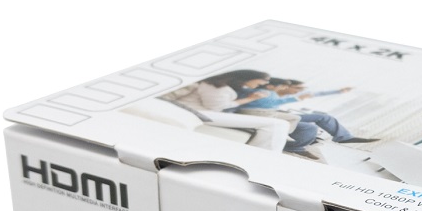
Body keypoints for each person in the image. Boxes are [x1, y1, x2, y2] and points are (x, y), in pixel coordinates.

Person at [162, 70, 315, 155]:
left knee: (279, 124)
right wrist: (250, 99)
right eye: (261, 81)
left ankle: (265, 155)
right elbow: (215, 106)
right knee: (278, 124)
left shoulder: (224, 87)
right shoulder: (215, 86)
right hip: (199, 113)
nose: (263, 84)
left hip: (206, 112)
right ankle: (261, 157)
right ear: (248, 78)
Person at [239, 78, 378, 146]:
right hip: (265, 114)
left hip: (276, 113)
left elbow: (316, 93)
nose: (299, 91)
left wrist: (339, 91)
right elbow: (259, 102)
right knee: (310, 125)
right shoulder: (266, 93)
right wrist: (295, 98)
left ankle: (344, 137)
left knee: (323, 117)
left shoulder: (283, 94)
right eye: (297, 88)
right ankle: (295, 145)